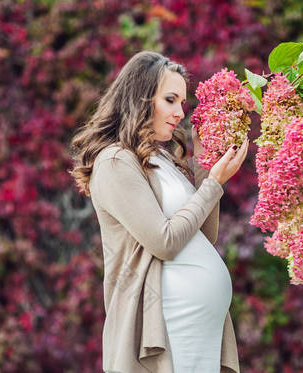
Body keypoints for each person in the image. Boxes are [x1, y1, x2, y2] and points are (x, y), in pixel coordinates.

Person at [69, 51, 248, 373]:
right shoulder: (114, 162)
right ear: (141, 98)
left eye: (182, 102)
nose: (181, 112)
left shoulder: (161, 160)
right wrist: (213, 184)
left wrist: (204, 167)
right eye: (170, 99)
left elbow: (202, 238)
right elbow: (165, 242)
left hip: (195, 325)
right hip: (166, 321)